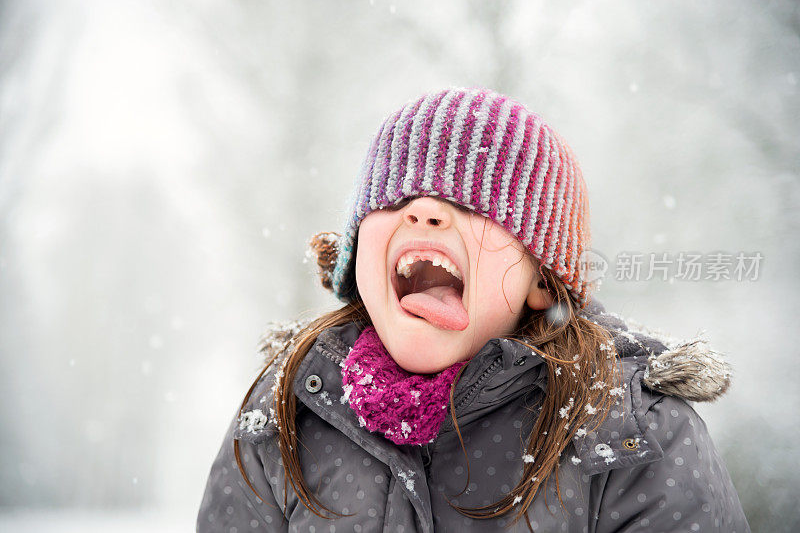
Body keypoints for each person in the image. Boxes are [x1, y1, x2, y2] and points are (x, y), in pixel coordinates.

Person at [197, 87, 750, 532]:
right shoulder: (290, 412)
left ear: (542, 281)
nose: (425, 211)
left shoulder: (631, 431)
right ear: (356, 254)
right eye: (394, 199)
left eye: (469, 204)